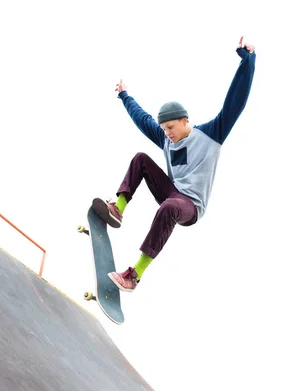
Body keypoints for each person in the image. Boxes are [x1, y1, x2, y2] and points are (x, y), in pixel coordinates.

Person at [92, 36, 256, 292]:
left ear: (184, 121)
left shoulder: (212, 133)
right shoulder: (165, 138)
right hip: (171, 192)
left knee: (169, 206)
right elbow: (142, 118)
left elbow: (234, 104)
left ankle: (135, 274)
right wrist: (124, 95)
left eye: (170, 127)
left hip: (190, 206)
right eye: (163, 129)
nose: (166, 133)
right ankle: (118, 208)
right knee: (141, 159)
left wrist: (248, 62)